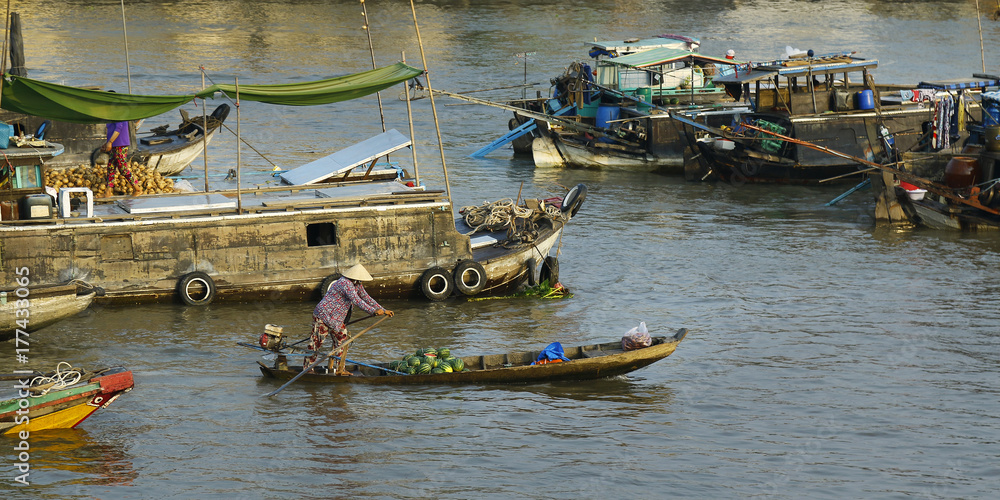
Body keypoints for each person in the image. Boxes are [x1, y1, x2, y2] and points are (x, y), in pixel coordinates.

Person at [306, 263, 393, 375]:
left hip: (336, 320)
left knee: (341, 339)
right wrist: (372, 311)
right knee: (316, 343)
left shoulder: (357, 284)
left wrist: (383, 310)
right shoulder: (345, 283)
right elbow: (356, 300)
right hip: (323, 315)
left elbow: (366, 297)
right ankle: (308, 369)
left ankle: (339, 369)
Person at [102, 96, 140, 198]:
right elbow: (111, 130)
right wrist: (107, 143)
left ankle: (137, 188)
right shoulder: (110, 113)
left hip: (120, 144)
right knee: (111, 168)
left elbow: (118, 128)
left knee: (123, 168)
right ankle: (108, 192)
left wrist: (110, 142)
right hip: (114, 144)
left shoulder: (117, 111)